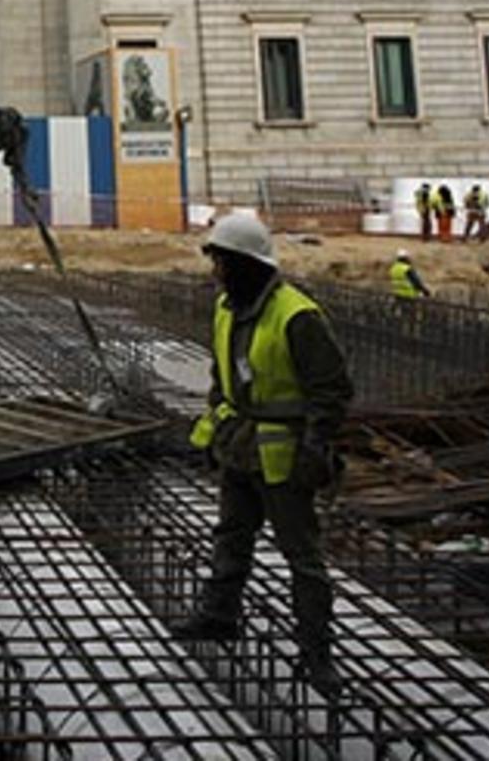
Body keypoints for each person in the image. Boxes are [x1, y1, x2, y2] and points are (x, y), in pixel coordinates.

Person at [169, 213, 353, 695]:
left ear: (246, 264)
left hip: (285, 459)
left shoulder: (297, 315)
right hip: (240, 450)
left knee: (303, 558)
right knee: (231, 537)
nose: (215, 273)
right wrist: (214, 433)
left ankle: (317, 653)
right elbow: (221, 379)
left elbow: (332, 389)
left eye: (222, 263)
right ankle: (219, 616)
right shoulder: (227, 308)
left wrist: (317, 446)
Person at [389, 248, 429, 315]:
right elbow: (416, 282)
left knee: (401, 314)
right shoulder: (407, 269)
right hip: (409, 295)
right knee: (410, 315)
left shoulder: (393, 268)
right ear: (405, 258)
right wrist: (425, 291)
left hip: (398, 294)